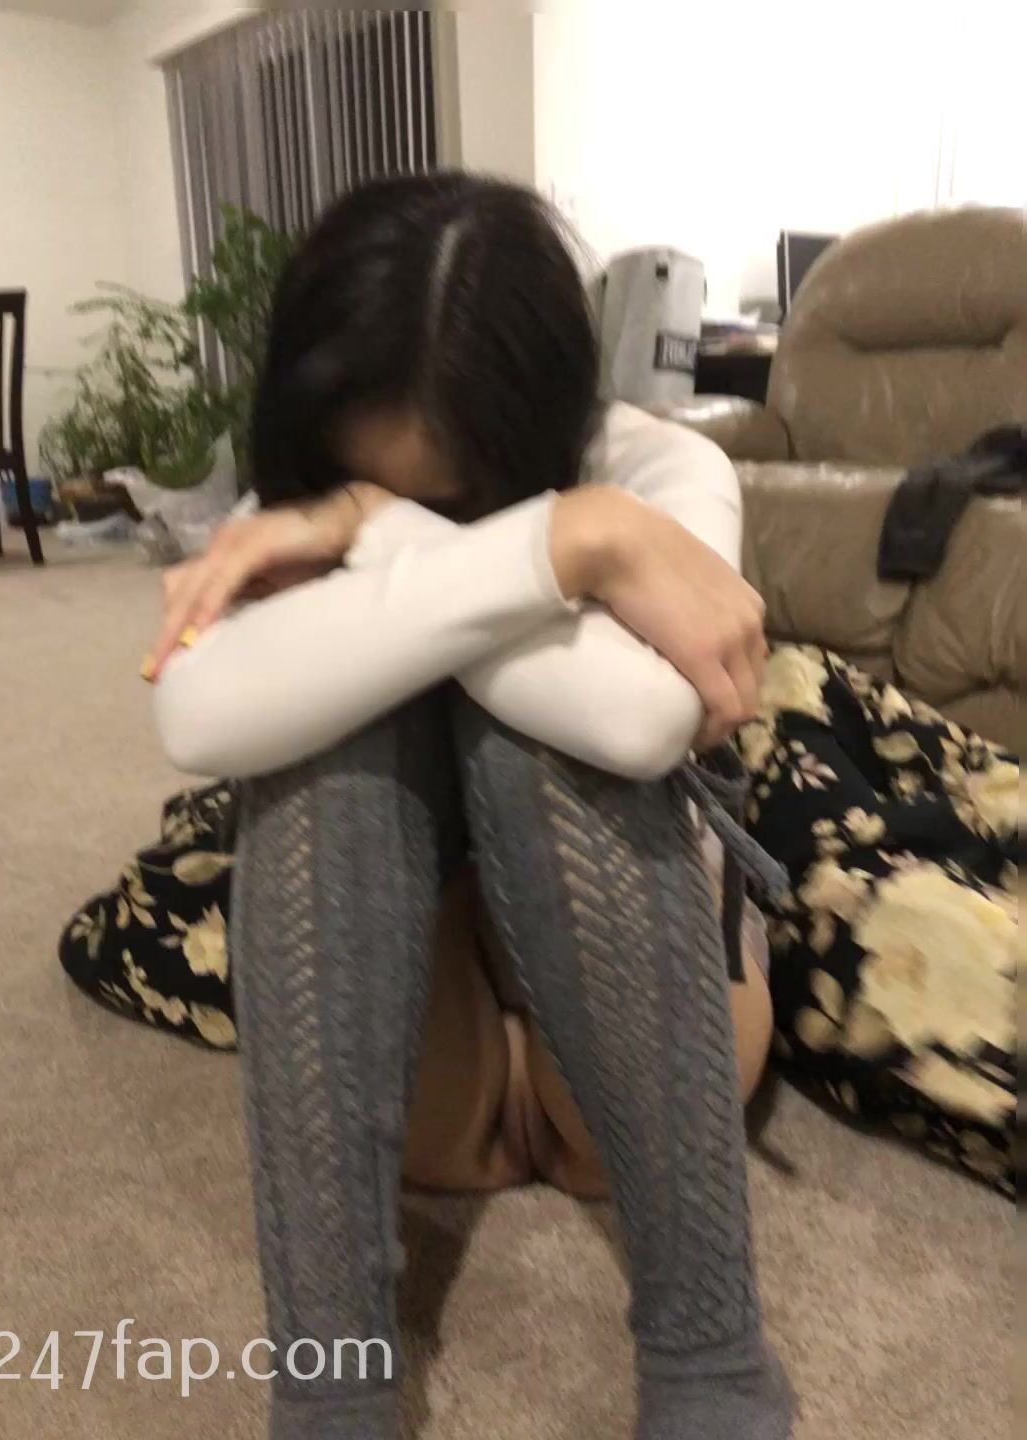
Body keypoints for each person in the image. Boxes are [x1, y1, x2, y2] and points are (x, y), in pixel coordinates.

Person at [143, 173, 793, 1440]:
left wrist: (387, 534)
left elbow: (641, 722)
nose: (403, 506)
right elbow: (197, 720)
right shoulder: (308, 489)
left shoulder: (660, 468)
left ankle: (714, 1353)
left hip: (648, 1052)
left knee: (545, 742)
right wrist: (557, 551)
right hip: (436, 1073)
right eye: (376, 483)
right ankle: (331, 1385)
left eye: (464, 497)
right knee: (325, 748)